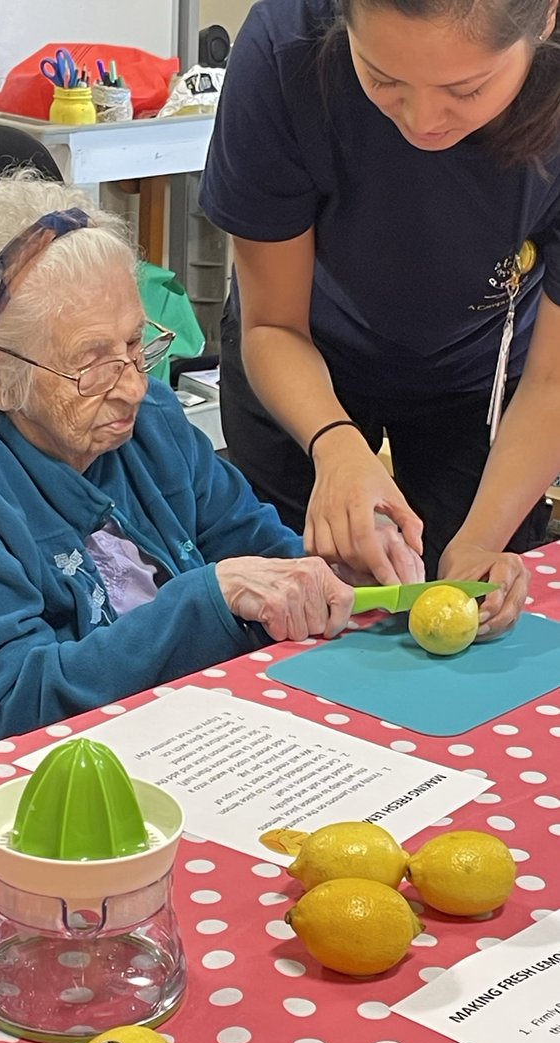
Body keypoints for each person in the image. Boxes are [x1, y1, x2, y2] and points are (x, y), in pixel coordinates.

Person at [0, 170, 419, 766]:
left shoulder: (150, 415)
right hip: (47, 780)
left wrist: (341, 566)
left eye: (137, 344)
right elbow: (1, 706)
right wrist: (211, 597)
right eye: (92, 363)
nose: (135, 388)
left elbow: (256, 546)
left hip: (205, 731)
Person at [200, 0, 560, 637]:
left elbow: (552, 380)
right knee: (297, 613)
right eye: (384, 79)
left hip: (485, 373)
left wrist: (480, 543)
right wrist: (334, 445)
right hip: (300, 356)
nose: (423, 122)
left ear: (547, 24)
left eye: (466, 89)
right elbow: (272, 325)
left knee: (472, 606)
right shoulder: (287, 50)